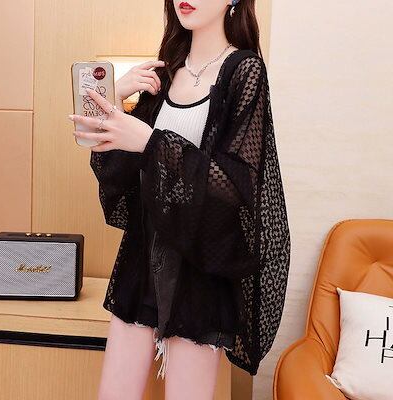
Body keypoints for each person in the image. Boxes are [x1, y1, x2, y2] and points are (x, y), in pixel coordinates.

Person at [69, 0, 291, 399]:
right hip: (141, 260)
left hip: (200, 271)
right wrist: (114, 100)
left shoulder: (244, 71)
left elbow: (236, 187)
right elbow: (117, 170)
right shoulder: (164, 70)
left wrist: (151, 142)